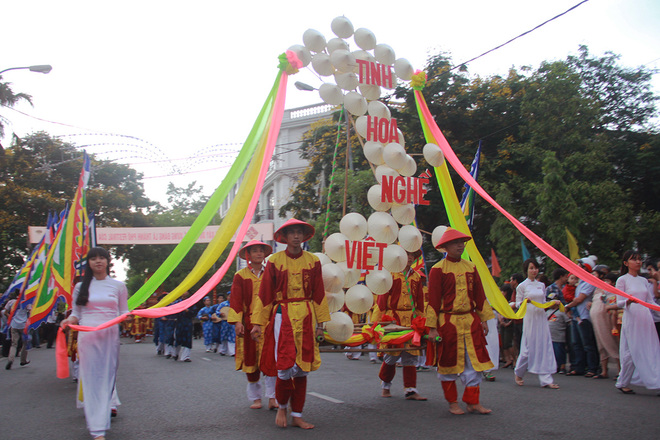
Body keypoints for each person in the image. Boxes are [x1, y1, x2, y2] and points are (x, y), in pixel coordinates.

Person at [250, 218, 330, 429]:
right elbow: (265, 294)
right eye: (292, 232)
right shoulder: (275, 261)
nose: (296, 236)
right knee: (285, 365)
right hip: (281, 315)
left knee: (303, 368)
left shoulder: (313, 261)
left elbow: (319, 294)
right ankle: (282, 407)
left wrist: (321, 323)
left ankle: (298, 414)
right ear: (284, 238)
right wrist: (257, 322)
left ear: (304, 236)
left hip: (306, 315)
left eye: (299, 232)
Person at [60, 247, 129, 440]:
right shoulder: (80, 287)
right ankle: (97, 429)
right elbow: (76, 314)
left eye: (102, 258)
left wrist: (128, 318)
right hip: (88, 336)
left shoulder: (118, 286)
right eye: (93, 259)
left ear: (108, 261)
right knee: (90, 379)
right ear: (88, 263)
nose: (98, 261)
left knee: (107, 378)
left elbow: (123, 311)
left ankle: (105, 408)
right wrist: (68, 321)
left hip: (109, 336)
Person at [426, 227, 494, 415]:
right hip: (448, 322)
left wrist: (484, 320)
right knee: (448, 362)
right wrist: (432, 328)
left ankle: (473, 402)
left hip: (471, 321)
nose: (460, 245)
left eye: (462, 242)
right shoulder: (437, 270)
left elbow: (479, 295)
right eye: (456, 243)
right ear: (445, 246)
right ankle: (452, 402)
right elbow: (432, 300)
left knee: (475, 362)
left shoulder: (471, 267)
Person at [371, 249, 427, 401]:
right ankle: (385, 385)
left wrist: (423, 321)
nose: (409, 258)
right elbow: (382, 301)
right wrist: (377, 323)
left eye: (412, 255)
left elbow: (420, 303)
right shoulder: (390, 275)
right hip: (393, 319)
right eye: (406, 254)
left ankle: (410, 389)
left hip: (410, 321)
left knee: (410, 355)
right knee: (391, 356)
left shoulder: (416, 277)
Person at [228, 240, 277, 410]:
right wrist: (237, 322)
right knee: (251, 361)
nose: (258, 254)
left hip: (269, 323)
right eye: (254, 251)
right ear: (248, 255)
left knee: (271, 360)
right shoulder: (240, 276)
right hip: (248, 324)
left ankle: (272, 397)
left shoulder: (271, 274)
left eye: (261, 251)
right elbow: (235, 301)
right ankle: (256, 398)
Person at [614, 250, 660, 394]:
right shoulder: (622, 280)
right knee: (632, 352)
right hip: (632, 317)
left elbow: (650, 302)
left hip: (645, 318)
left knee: (651, 349)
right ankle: (623, 382)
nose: (638, 262)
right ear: (626, 263)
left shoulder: (643, 280)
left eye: (639, 259)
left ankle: (655, 381)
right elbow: (619, 302)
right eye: (634, 259)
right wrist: (628, 301)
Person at [513, 258, 560, 389]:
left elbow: (543, 303)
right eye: (531, 268)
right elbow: (517, 304)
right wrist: (524, 302)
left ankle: (546, 379)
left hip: (541, 318)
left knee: (544, 346)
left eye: (536, 268)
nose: (534, 271)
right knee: (527, 349)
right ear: (526, 270)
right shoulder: (522, 286)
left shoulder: (541, 285)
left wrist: (553, 303)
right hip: (530, 319)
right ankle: (519, 373)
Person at [565, 257, 599, 377]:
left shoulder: (590, 281)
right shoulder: (580, 283)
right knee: (576, 343)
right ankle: (579, 367)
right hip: (576, 317)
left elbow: (579, 299)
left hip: (584, 318)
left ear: (586, 268)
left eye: (580, 265)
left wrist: (567, 306)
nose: (577, 267)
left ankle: (592, 368)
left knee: (587, 344)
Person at [590, 273, 619, 379]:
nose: (604, 282)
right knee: (601, 345)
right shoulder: (598, 290)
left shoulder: (612, 292)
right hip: (596, 321)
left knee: (611, 343)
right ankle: (604, 370)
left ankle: (620, 371)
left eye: (607, 280)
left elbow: (611, 307)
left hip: (607, 321)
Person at [3, 292, 31, 370]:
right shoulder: (25, 302)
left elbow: (5, 312)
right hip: (23, 325)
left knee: (14, 344)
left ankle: (10, 360)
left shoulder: (11, 302)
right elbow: (31, 311)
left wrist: (11, 318)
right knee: (25, 343)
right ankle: (23, 360)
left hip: (14, 324)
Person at [174, 292, 196, 362]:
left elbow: (194, 313)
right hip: (179, 323)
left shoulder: (191, 302)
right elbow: (173, 312)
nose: (184, 293)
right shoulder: (177, 302)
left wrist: (188, 311)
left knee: (188, 340)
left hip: (188, 323)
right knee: (178, 339)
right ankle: (176, 353)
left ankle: (185, 357)